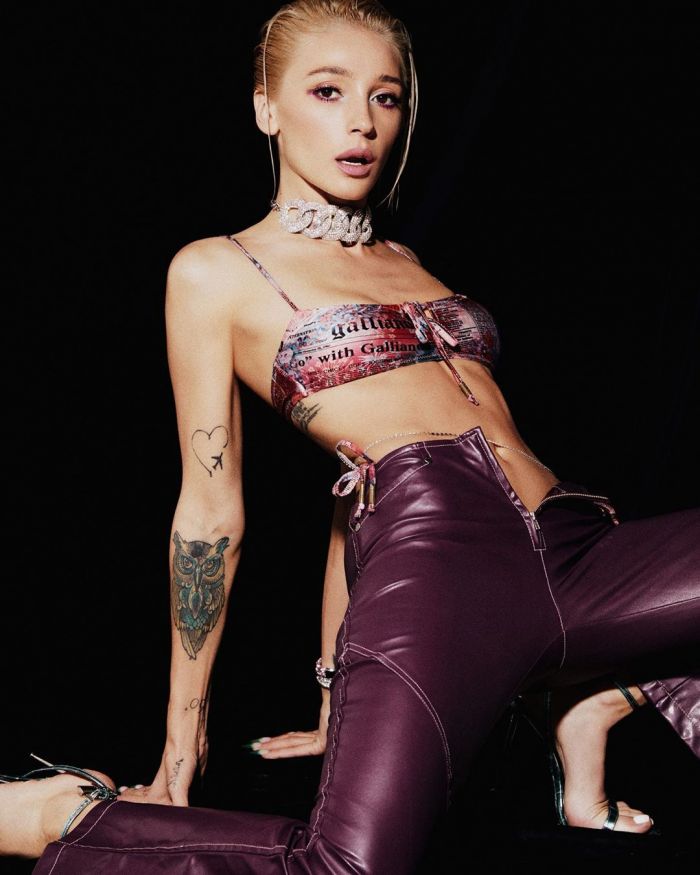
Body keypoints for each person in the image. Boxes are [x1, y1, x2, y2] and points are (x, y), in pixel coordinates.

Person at [2, 1, 697, 871]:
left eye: (386, 96)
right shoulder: (217, 270)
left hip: (577, 544)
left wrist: (332, 690)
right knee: (348, 866)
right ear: (267, 108)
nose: (362, 122)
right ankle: (60, 816)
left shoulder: (410, 264)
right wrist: (182, 752)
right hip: (441, 571)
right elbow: (211, 514)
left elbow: (347, 495)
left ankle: (588, 697)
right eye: (328, 91)